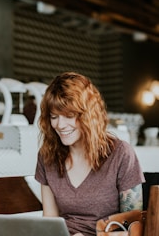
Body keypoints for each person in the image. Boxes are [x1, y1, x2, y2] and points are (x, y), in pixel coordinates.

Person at [35, 72, 145, 236]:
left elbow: (134, 227)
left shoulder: (120, 153)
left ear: (88, 115)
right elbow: (50, 222)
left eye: (69, 116)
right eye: (54, 116)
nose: (60, 125)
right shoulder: (47, 156)